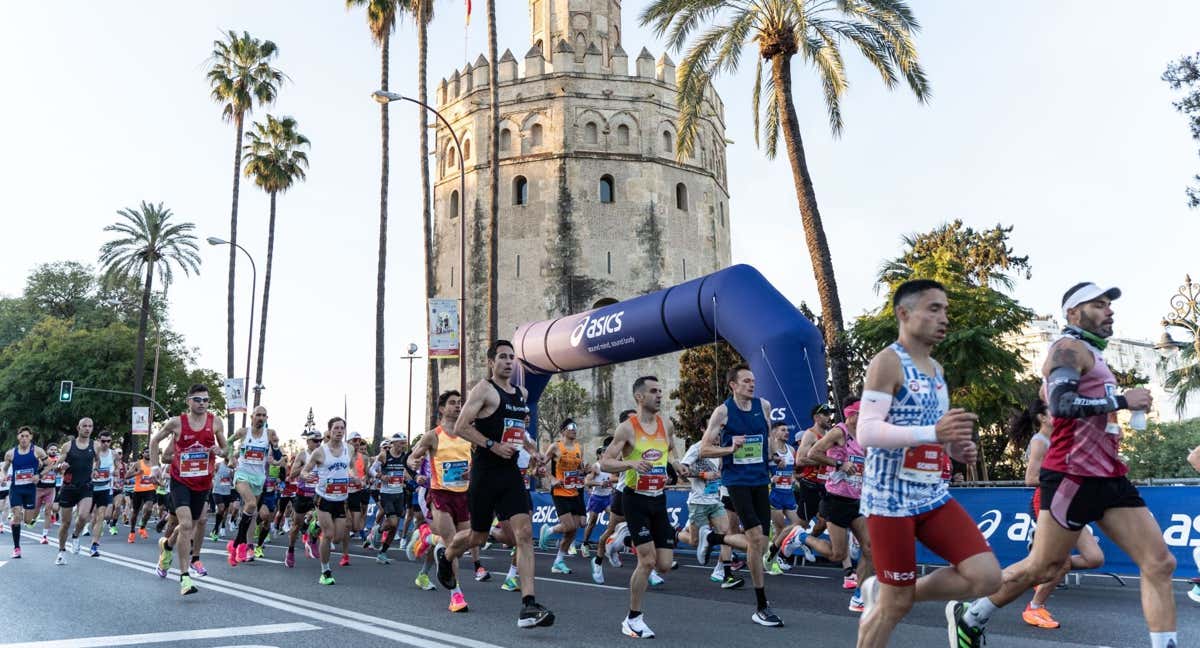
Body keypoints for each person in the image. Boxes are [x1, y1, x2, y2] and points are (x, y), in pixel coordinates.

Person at [955, 282, 1177, 648]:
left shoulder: (1092, 354)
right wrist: (1122, 400)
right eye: (1099, 304)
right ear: (1073, 313)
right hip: (1071, 478)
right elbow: (1060, 405)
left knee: (1160, 563)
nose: (1110, 311)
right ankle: (972, 615)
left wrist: (1124, 409)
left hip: (1109, 476)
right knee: (1043, 566)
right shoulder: (1066, 349)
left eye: (1109, 305)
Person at [851, 279, 1000, 648]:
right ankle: (889, 596)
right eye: (934, 308)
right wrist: (933, 431)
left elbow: (935, 436)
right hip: (890, 501)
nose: (944, 317)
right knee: (893, 609)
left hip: (932, 495)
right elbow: (866, 432)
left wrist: (954, 449)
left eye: (946, 310)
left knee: (987, 577)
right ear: (904, 313)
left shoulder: (936, 369)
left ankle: (887, 591)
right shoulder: (888, 362)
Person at [434, 339, 554, 629]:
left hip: (510, 473)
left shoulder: (522, 393)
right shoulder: (483, 390)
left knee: (524, 534)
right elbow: (462, 426)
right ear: (491, 362)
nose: (508, 362)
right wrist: (491, 445)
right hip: (485, 474)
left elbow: (518, 430)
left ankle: (528, 605)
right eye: (502, 357)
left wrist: (532, 449)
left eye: (512, 357)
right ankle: (447, 553)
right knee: (477, 537)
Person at [694, 365, 785, 628]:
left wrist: (773, 457)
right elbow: (704, 450)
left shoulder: (764, 405)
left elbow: (766, 437)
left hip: (760, 479)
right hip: (736, 481)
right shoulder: (723, 411)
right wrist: (729, 448)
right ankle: (761, 605)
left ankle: (712, 537)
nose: (751, 385)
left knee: (762, 545)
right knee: (755, 538)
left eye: (753, 381)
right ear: (733, 385)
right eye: (746, 381)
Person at [599, 375, 687, 638]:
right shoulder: (628, 428)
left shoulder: (666, 424)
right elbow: (605, 463)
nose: (659, 395)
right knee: (646, 561)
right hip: (634, 498)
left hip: (658, 498)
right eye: (653, 391)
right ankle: (633, 618)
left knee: (665, 565)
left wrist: (676, 465)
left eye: (660, 390)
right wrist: (630, 464)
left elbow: (670, 450)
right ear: (639, 397)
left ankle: (622, 537)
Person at [1006, 397, 1105, 628]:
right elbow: (1030, 479)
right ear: (1042, 417)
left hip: (1070, 500)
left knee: (1094, 558)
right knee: (1060, 564)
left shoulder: (1063, 438)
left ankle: (1041, 566)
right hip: (1049, 501)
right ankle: (1035, 607)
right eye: (1055, 410)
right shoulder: (1040, 441)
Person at [783, 398, 875, 613]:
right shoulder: (838, 432)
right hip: (836, 500)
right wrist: (840, 463)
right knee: (836, 554)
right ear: (852, 415)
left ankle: (859, 596)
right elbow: (811, 453)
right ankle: (800, 537)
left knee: (870, 548)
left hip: (856, 500)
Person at [150, 383, 227, 596]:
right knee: (184, 524)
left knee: (188, 527)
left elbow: (226, 449)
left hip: (203, 482)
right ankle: (184, 577)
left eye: (205, 400)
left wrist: (220, 450)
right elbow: (155, 441)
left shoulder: (216, 422)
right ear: (189, 401)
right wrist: (155, 467)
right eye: (197, 399)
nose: (202, 403)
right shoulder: (177, 423)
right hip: (180, 480)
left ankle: (167, 546)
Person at [409, 389, 478, 612]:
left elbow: (477, 460)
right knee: (451, 542)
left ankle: (429, 538)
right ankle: (456, 595)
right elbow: (413, 456)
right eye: (452, 403)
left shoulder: (469, 433)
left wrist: (472, 472)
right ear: (441, 409)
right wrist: (413, 464)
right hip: (440, 495)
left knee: (467, 541)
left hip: (464, 495)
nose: (457, 406)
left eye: (460, 403)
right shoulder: (433, 435)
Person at [678, 433, 744, 590]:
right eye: (714, 431)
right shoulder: (697, 448)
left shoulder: (720, 451)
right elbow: (683, 471)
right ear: (704, 430)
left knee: (725, 536)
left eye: (720, 432)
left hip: (715, 500)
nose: (717, 436)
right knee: (695, 542)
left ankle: (726, 574)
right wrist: (703, 474)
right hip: (698, 502)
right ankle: (675, 534)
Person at [300, 417, 354, 586]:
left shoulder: (349, 449)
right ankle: (325, 571)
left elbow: (350, 467)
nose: (339, 431)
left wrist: (354, 477)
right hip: (323, 497)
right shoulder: (320, 452)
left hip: (341, 498)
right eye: (336, 428)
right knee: (329, 534)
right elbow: (305, 470)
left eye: (342, 428)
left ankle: (314, 527)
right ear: (329, 431)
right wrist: (306, 475)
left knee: (337, 538)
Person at [224, 406, 274, 565]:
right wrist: (231, 458)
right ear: (252, 417)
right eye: (258, 415)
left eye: (264, 415)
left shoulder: (270, 434)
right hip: (242, 473)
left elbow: (277, 453)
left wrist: (277, 456)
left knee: (252, 512)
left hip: (259, 477)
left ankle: (244, 545)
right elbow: (229, 442)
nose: (261, 418)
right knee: (251, 503)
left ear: (267, 418)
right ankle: (240, 544)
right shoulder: (243, 432)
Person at [538, 418, 589, 574]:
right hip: (560, 491)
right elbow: (541, 466)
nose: (574, 429)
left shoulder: (579, 448)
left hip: (575, 490)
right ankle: (548, 531)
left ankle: (558, 562)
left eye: (575, 426)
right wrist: (552, 479)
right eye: (571, 427)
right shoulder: (555, 447)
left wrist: (585, 471)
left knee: (578, 525)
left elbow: (580, 469)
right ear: (563, 431)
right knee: (568, 526)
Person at [54, 418, 100, 565]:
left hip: (85, 486)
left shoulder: (95, 445)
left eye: (90, 426)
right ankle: (61, 552)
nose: (87, 428)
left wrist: (95, 470)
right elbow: (57, 465)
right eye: (84, 426)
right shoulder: (68, 446)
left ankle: (75, 536)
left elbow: (97, 460)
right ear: (78, 428)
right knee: (65, 523)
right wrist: (62, 465)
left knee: (83, 516)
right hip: (69, 487)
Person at [1, 426, 50, 558]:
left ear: (31, 437)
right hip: (16, 489)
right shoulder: (11, 453)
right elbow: (4, 469)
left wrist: (39, 475)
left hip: (30, 489)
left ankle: (33, 516)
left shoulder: (37, 451)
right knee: (16, 516)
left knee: (28, 521)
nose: (24, 438)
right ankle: (17, 548)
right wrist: (3, 476)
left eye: (26, 436)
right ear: (18, 437)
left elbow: (50, 465)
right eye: (21, 436)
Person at [764, 421, 799, 576]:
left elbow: (794, 471)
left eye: (787, 430)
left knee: (798, 524)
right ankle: (774, 561)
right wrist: (772, 480)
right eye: (782, 430)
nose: (786, 432)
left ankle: (775, 551)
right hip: (774, 495)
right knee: (780, 528)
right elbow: (761, 472)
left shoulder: (791, 449)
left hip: (788, 494)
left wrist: (793, 479)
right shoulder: (770, 452)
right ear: (775, 433)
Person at [286, 430, 322, 567]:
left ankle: (311, 540)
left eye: (320, 441)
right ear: (308, 441)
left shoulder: (324, 455)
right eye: (315, 441)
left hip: (317, 494)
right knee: (296, 526)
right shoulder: (303, 455)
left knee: (321, 519)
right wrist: (304, 471)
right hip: (302, 494)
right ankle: (290, 550)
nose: (319, 443)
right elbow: (292, 475)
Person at [582, 447, 614, 581]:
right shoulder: (596, 467)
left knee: (614, 519)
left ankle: (610, 547)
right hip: (596, 498)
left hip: (607, 498)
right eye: (604, 452)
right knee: (592, 522)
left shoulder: (611, 465)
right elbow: (587, 482)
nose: (607, 454)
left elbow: (614, 478)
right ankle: (585, 544)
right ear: (599, 455)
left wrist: (612, 482)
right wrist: (601, 483)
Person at [87, 431, 117, 557]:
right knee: (87, 517)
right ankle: (84, 529)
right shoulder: (92, 453)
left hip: (105, 488)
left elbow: (116, 467)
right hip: (90, 488)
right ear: (99, 440)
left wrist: (115, 473)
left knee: (101, 516)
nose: (105, 444)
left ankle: (94, 545)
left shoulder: (114, 454)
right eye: (103, 441)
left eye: (108, 441)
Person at [127, 448, 157, 542]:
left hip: (150, 490)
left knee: (148, 509)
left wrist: (157, 482)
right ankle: (132, 532)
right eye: (146, 452)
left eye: (150, 452)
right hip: (138, 491)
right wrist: (137, 473)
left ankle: (142, 527)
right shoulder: (137, 464)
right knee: (135, 512)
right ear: (143, 454)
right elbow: (127, 476)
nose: (148, 454)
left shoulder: (154, 464)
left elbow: (158, 476)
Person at [34, 444, 60, 544]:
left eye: (55, 450)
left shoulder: (58, 460)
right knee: (34, 513)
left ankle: (44, 536)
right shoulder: (41, 460)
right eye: (51, 449)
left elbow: (61, 472)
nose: (53, 451)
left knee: (48, 511)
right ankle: (33, 517)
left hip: (51, 488)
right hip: (39, 489)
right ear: (47, 450)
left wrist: (60, 469)